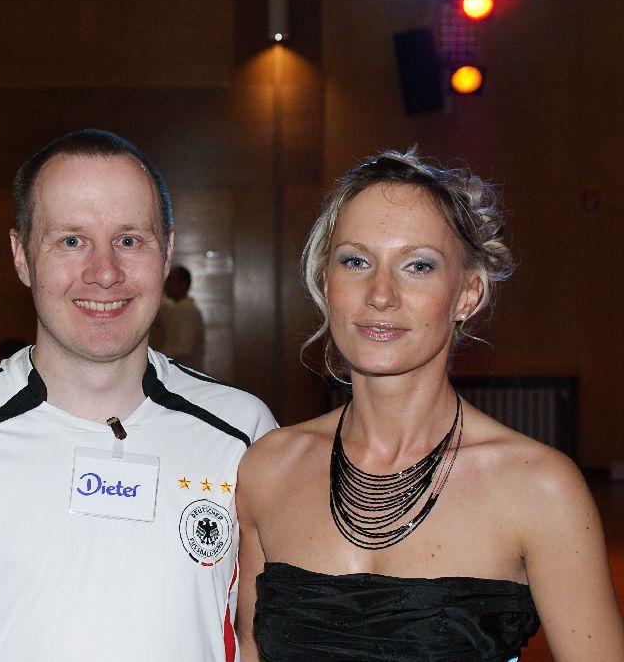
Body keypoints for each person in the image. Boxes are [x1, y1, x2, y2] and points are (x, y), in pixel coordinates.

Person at [0, 128, 277, 661]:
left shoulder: (245, 434)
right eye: (71, 241)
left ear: (166, 254)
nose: (105, 273)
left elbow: (261, 638)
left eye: (129, 240)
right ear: (21, 255)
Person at [235, 150, 624, 661]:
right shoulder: (268, 468)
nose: (380, 294)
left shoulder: (539, 488)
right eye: (356, 261)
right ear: (326, 282)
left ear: (467, 294)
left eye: (418, 266)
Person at [151, 265, 206, 369]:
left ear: (183, 284)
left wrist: (153, 357)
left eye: (171, 281)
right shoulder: (176, 308)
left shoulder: (187, 310)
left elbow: (182, 350)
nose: (166, 285)